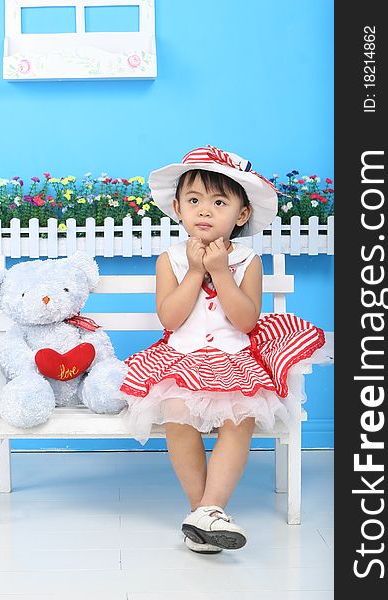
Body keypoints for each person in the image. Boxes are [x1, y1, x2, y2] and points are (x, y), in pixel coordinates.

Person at [119, 145, 330, 554]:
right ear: (178, 208)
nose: (205, 211)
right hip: (181, 358)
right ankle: (204, 513)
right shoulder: (171, 259)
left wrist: (220, 271)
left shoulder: (249, 260)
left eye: (219, 202)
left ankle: (209, 510)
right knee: (177, 415)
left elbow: (246, 321)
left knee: (242, 417)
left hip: (235, 360)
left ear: (242, 214)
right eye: (194, 201)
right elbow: (170, 319)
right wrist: (197, 271)